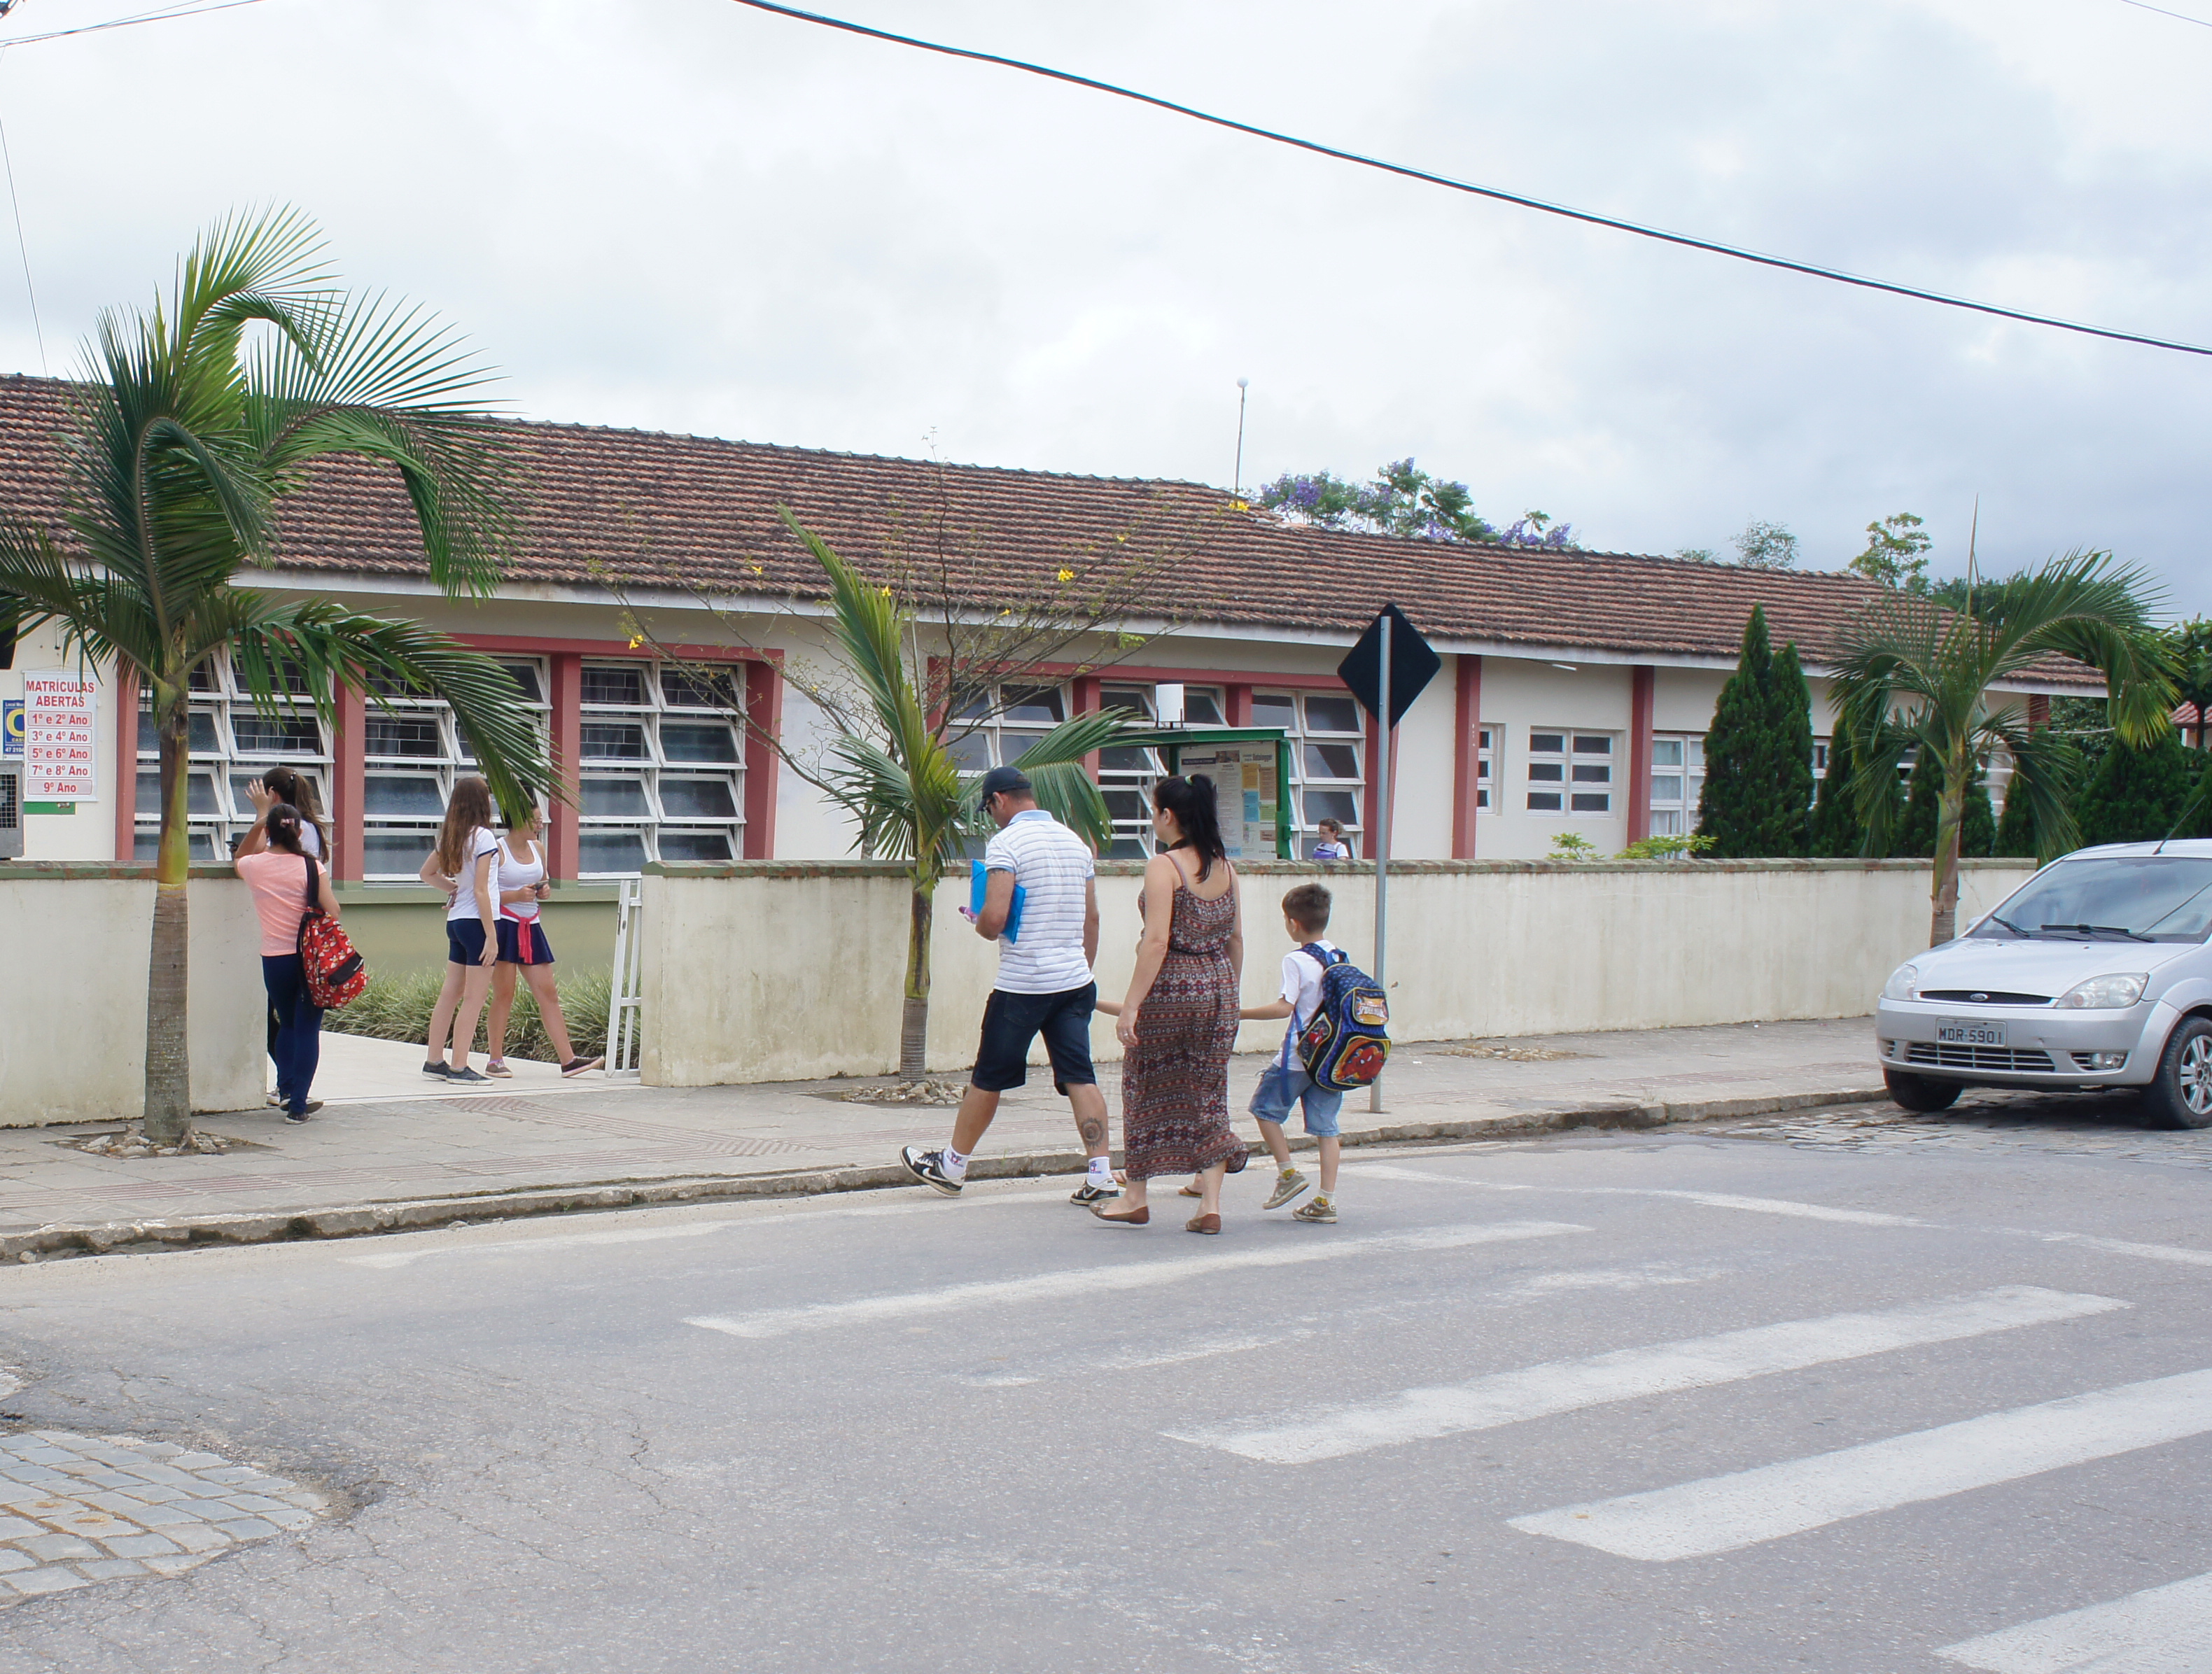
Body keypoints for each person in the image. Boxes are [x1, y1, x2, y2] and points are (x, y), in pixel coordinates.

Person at [902, 766, 1118, 1204]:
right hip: (1074, 981)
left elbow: (996, 918)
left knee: (989, 1078)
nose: (991, 818)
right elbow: (1091, 918)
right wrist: (1081, 972)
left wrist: (979, 924)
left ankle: (953, 1166)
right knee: (1080, 1075)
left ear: (999, 800)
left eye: (990, 809)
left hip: (1023, 984)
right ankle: (1101, 1175)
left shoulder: (1007, 843)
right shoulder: (1075, 842)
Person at [1093, 775, 1247, 1233]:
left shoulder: (1166, 866)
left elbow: (1157, 941)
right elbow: (1236, 939)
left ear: (1168, 815)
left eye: (1154, 810)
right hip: (1219, 985)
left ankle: (1135, 1197)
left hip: (1173, 986)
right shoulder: (1225, 867)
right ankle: (1210, 1205)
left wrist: (1131, 1006)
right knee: (1209, 1092)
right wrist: (1230, 997)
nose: (1152, 819)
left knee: (1143, 1084)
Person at [1240, 881, 1346, 1224]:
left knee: (1263, 1110)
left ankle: (1288, 1174)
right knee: (1327, 1129)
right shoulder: (1339, 956)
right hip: (1332, 1060)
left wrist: (1240, 1012)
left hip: (1298, 1058)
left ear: (1293, 924)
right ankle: (1326, 1201)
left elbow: (1285, 1008)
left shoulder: (1296, 959)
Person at [482, 794, 605, 1079]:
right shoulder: (496, 850)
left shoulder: (538, 847)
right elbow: (483, 893)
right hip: (505, 925)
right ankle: (495, 1059)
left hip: (532, 925)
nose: (539, 825)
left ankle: (568, 1059)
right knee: (504, 993)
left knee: (548, 992)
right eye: (535, 820)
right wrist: (515, 895)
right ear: (517, 820)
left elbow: (544, 879)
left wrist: (544, 890)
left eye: (540, 821)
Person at [234, 802, 341, 1122]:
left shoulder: (254, 866)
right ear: (298, 831)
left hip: (275, 959)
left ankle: (286, 1089)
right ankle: (297, 1108)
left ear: (269, 832)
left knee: (287, 1024)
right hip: (310, 959)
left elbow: (238, 858)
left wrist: (257, 823)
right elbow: (333, 910)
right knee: (308, 1028)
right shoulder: (311, 867)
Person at [417, 775, 502, 1083]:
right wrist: (492, 936)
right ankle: (459, 1066)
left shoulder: (452, 835)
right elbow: (482, 890)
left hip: (456, 922)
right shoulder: (484, 838)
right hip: (479, 922)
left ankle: (434, 1059)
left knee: (450, 993)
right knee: (475, 998)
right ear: (483, 802)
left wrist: (453, 889)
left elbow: (426, 873)